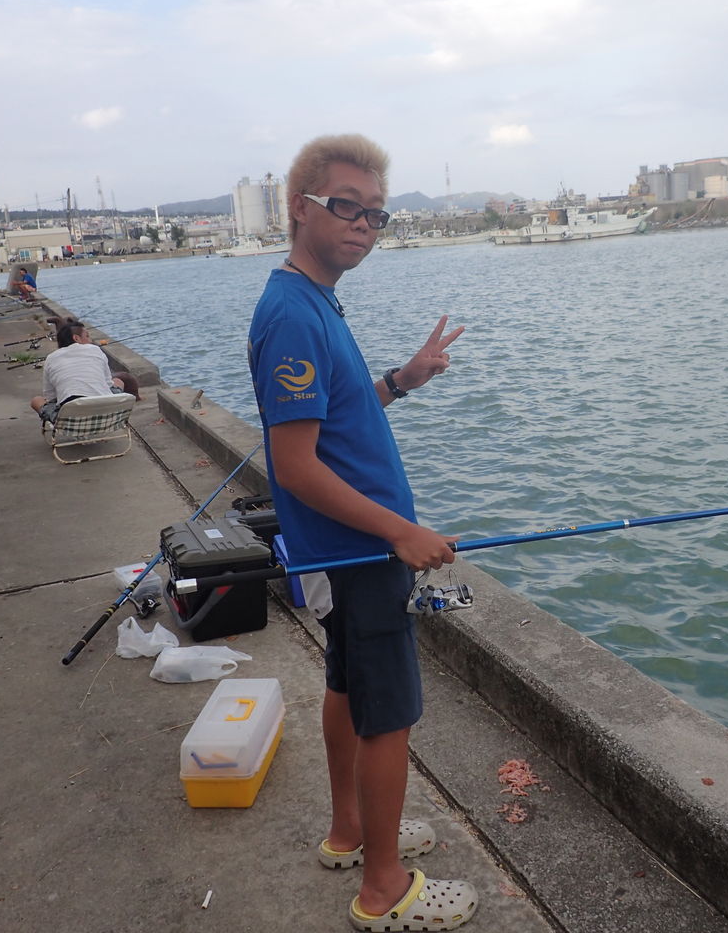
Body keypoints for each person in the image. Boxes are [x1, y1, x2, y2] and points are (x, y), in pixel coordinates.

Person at [247, 134, 476, 932]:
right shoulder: (292, 314)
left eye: (376, 214)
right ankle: (384, 889)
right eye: (346, 207)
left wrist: (400, 381)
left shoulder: (313, 300)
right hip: (359, 549)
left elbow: (335, 422)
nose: (363, 225)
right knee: (389, 713)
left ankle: (351, 832)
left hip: (350, 548)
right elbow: (294, 466)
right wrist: (400, 532)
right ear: (300, 207)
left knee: (348, 687)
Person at [30, 320, 134, 423]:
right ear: (76, 338)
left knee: (36, 400)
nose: (90, 340)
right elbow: (108, 384)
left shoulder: (51, 358)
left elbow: (50, 397)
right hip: (107, 412)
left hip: (69, 419)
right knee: (118, 381)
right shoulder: (95, 349)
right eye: (87, 336)